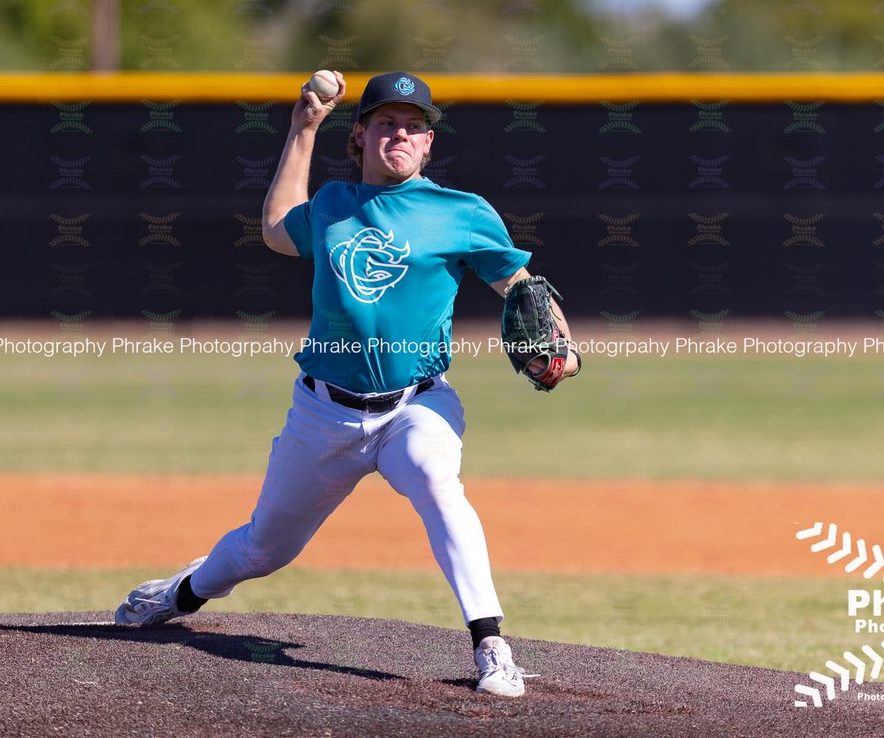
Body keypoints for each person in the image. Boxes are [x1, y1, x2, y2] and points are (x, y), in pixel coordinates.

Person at [115, 70, 580, 698]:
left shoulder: (462, 213)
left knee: (437, 483)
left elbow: (523, 287)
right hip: (324, 413)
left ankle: (490, 642)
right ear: (359, 134)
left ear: (428, 143)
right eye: (387, 123)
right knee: (263, 550)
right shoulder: (334, 203)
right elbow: (278, 230)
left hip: (417, 403)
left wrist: (563, 346)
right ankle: (182, 592)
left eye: (415, 126)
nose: (402, 134)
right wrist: (303, 128)